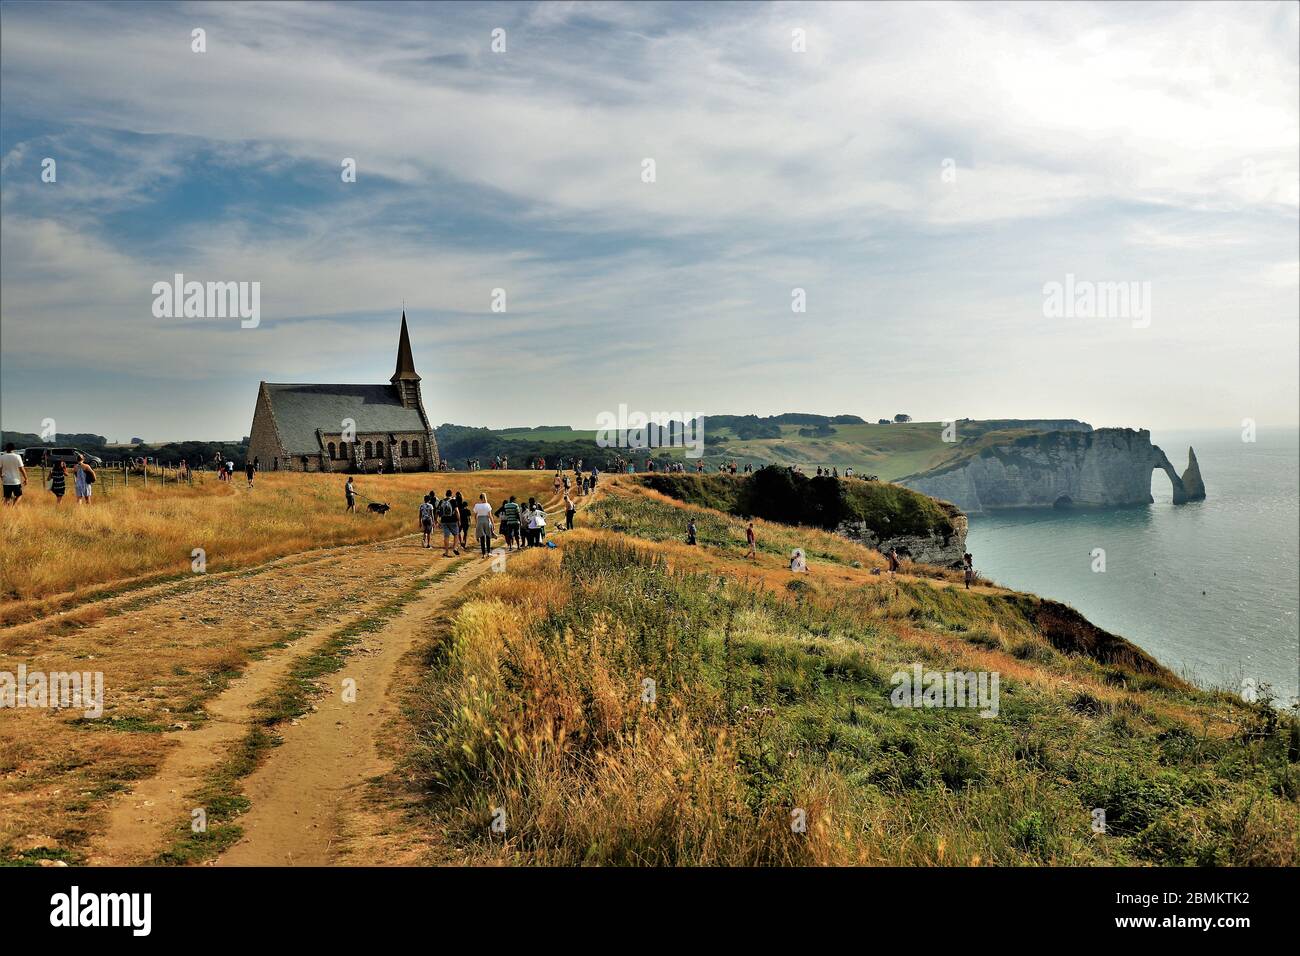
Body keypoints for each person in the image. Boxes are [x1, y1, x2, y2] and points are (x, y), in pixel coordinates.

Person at [438, 490, 460, 556]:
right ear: (451, 494)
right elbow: (457, 511)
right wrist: (459, 520)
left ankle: (446, 552)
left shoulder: (442, 501)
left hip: (444, 521)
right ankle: (455, 548)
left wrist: (438, 520)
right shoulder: (453, 501)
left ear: (446, 494)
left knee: (446, 536)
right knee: (456, 535)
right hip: (453, 520)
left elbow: (438, 511)